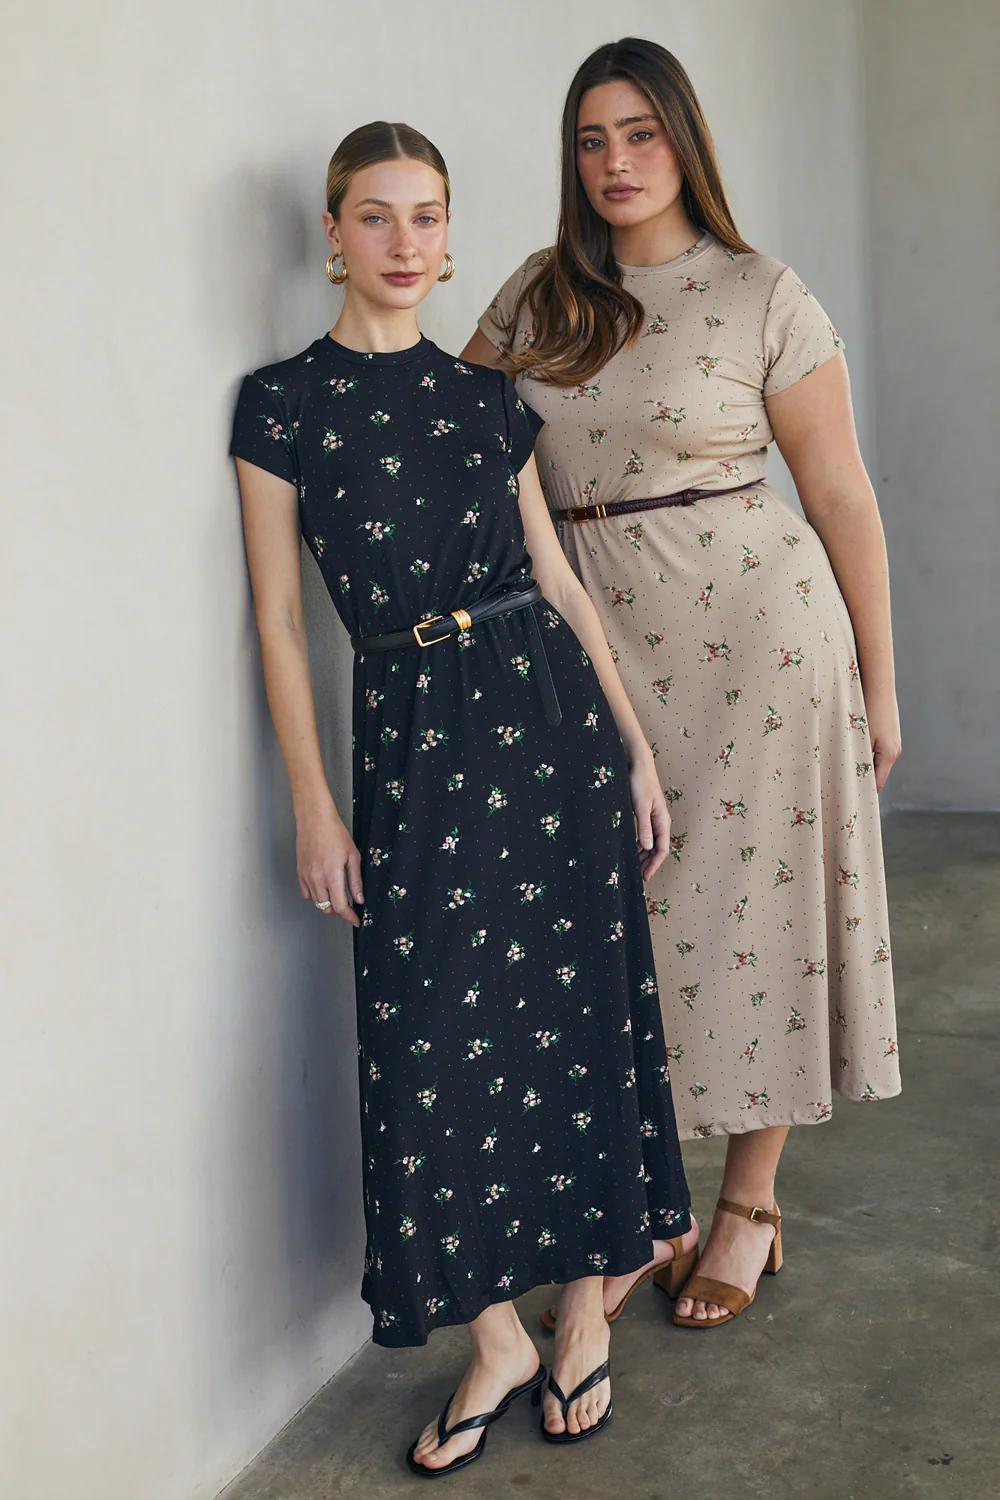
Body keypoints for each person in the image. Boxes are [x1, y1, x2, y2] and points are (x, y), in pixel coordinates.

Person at [228, 120, 695, 1475]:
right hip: (412, 741)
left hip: (548, 723)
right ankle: (494, 1335)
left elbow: (557, 583)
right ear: (332, 235)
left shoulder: (488, 400)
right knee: (427, 1043)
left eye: (427, 216)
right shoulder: (283, 404)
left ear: (448, 236)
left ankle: (584, 1310)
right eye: (376, 216)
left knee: (581, 1018)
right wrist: (315, 805)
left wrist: (634, 749)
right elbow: (277, 622)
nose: (405, 242)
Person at [462, 36, 902, 1331]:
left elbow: (840, 495)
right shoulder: (540, 294)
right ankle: (644, 1207)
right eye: (592, 139)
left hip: (759, 640)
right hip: (589, 644)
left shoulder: (762, 292)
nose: (616, 161)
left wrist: (882, 684)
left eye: (640, 133)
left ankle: (748, 1204)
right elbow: (455, 436)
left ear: (684, 140)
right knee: (615, 934)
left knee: (756, 920)